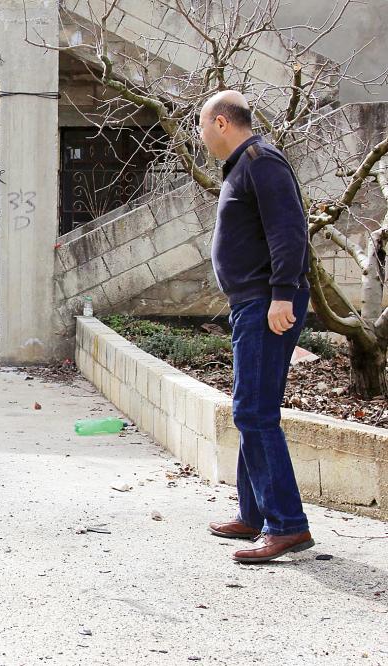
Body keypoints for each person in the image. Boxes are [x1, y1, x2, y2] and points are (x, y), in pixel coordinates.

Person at [198, 90, 315, 563]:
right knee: (251, 408)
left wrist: (282, 294)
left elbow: (289, 231)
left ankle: (286, 524)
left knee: (255, 411)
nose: (201, 135)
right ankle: (254, 515)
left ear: (222, 122)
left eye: (203, 124)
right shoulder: (245, 166)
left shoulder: (262, 162)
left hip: (268, 301)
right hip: (253, 301)